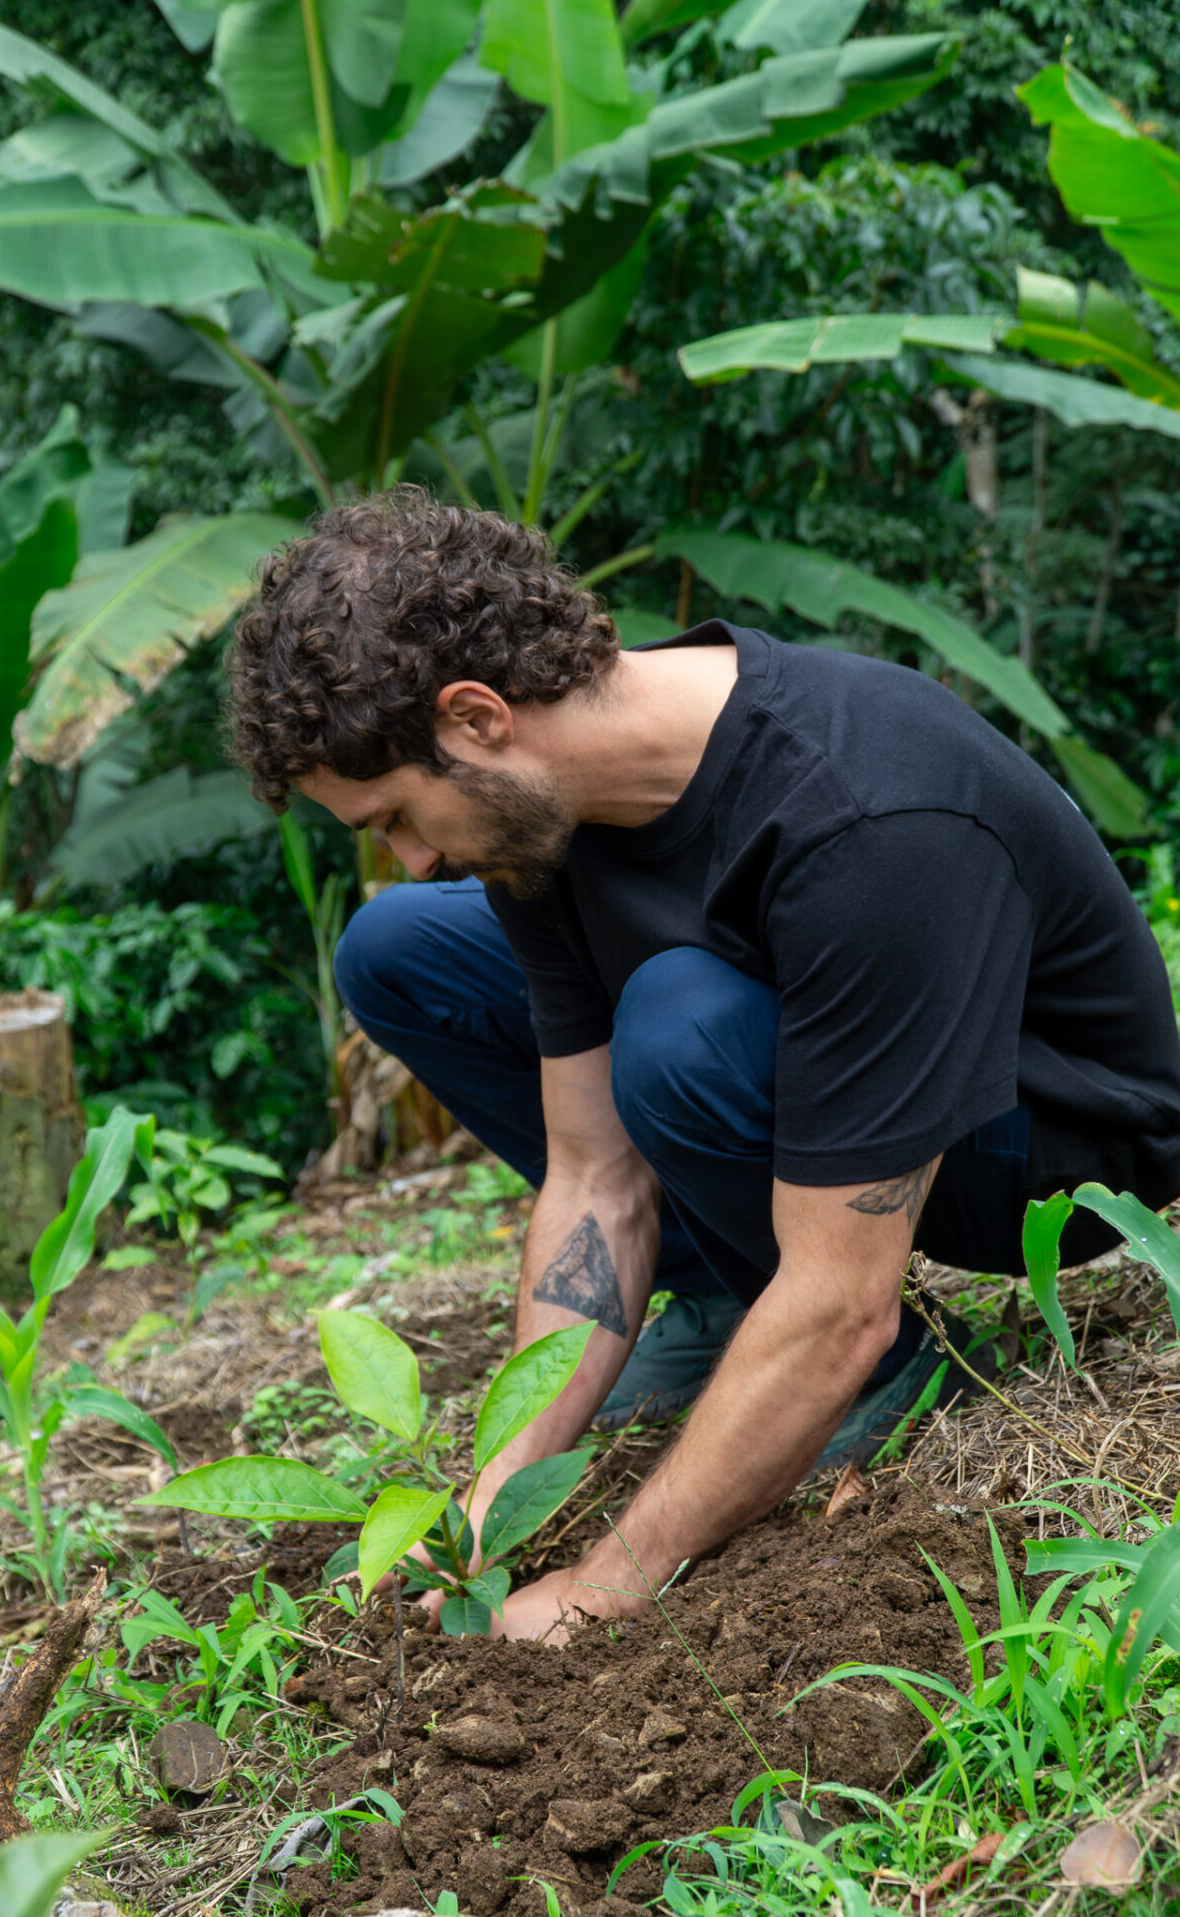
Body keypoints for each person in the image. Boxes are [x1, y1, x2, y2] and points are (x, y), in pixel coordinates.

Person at [226, 487, 1180, 1642]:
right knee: (398, 947)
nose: (412, 854)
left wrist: (603, 1583)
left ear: (476, 715)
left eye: (393, 817)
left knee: (677, 1024)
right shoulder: (547, 821)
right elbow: (593, 1175)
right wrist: (489, 1504)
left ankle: (878, 1384)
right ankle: (730, 1292)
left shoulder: (864, 819)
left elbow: (840, 1305)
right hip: (787, 1040)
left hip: (1047, 1148)